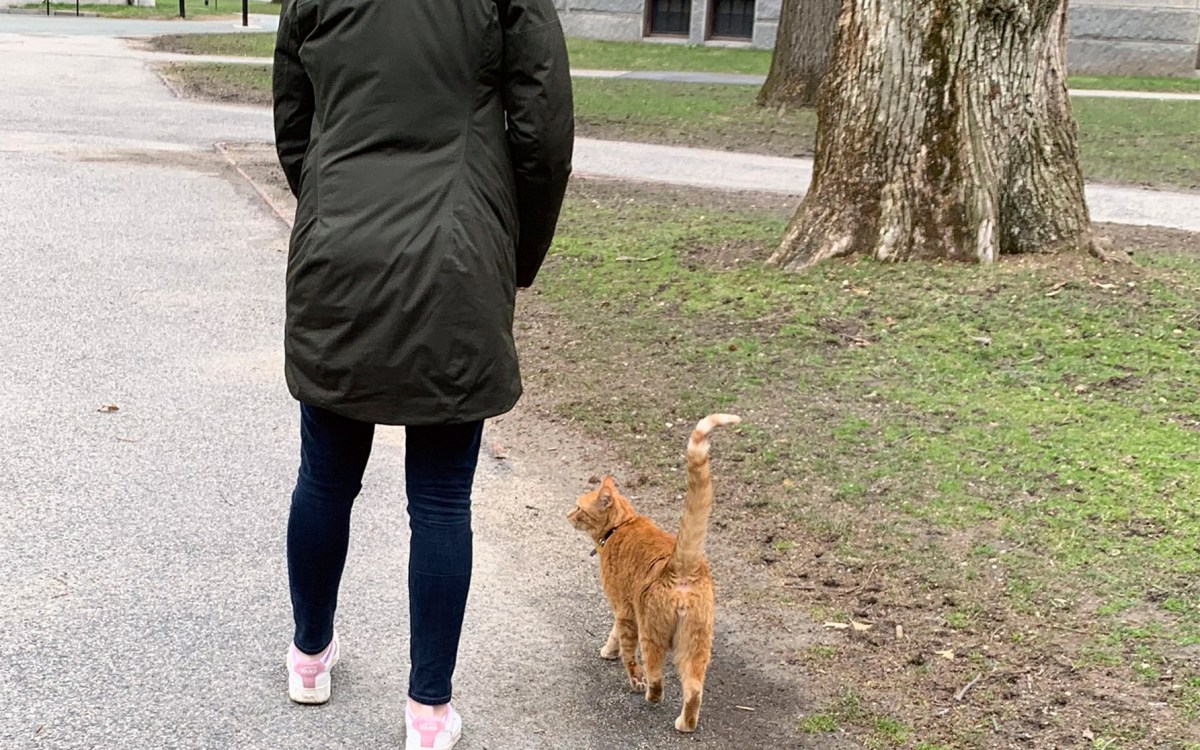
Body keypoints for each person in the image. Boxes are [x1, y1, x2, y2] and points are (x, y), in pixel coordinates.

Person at [271, 0, 574, 747]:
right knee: (441, 500)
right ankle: (428, 712)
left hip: (340, 249)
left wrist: (330, 206)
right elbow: (543, 137)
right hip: (458, 252)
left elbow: (292, 117)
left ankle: (310, 659)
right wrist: (513, 252)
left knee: (325, 475)